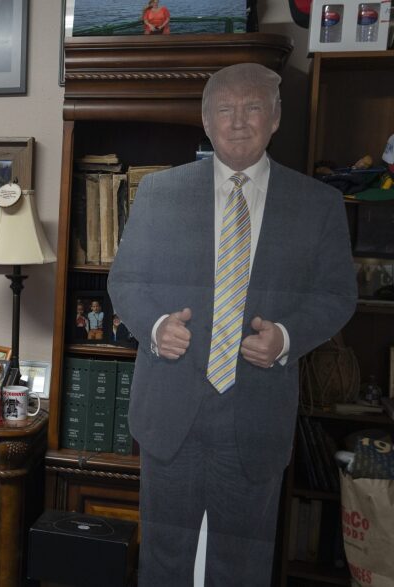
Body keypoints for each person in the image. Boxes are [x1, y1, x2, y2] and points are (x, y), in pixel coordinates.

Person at [107, 63, 356, 585]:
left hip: (256, 414)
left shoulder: (320, 205)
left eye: (253, 107)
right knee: (163, 561)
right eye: (226, 108)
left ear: (276, 118)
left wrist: (286, 337)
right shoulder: (159, 193)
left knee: (241, 565)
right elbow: (125, 282)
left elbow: (336, 295)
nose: (239, 121)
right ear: (206, 119)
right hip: (171, 412)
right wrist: (155, 328)